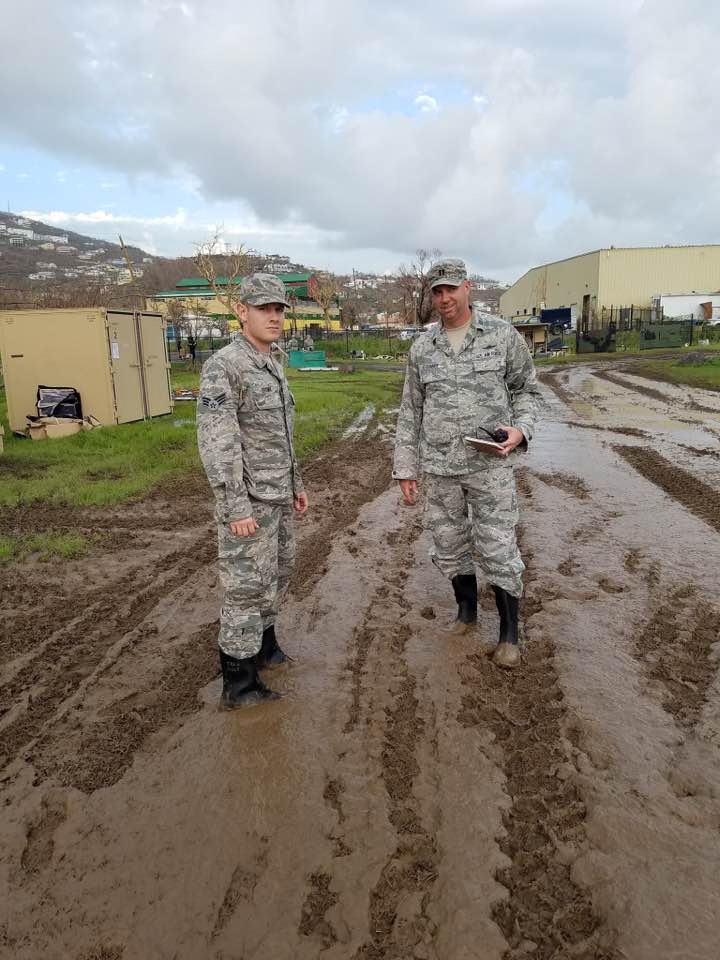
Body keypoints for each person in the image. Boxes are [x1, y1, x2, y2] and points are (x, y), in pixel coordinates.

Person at [393, 258, 542, 668]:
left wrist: (521, 429)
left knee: (498, 546)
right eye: (437, 291)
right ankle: (466, 613)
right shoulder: (423, 346)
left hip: (488, 466)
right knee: (450, 543)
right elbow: (411, 410)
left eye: (450, 289)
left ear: (467, 287)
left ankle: (510, 633)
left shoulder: (501, 335)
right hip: (440, 468)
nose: (444, 298)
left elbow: (527, 390)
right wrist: (405, 467)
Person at [197, 274, 309, 707]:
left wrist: (296, 484)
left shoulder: (271, 361)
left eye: (279, 309)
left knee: (276, 575)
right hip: (249, 504)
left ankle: (264, 648)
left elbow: (281, 435)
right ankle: (239, 684)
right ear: (241, 311)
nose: (274, 316)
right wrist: (234, 507)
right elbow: (218, 443)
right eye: (264, 308)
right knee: (245, 588)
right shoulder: (225, 365)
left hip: (277, 496)